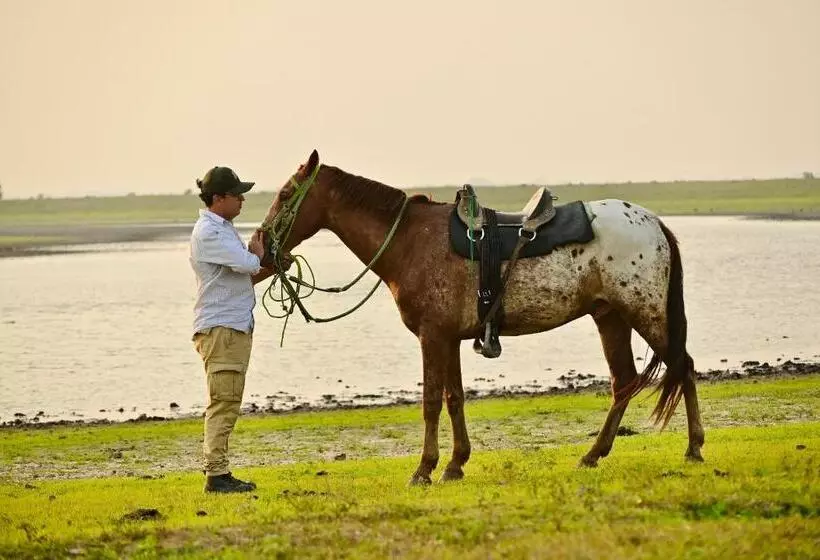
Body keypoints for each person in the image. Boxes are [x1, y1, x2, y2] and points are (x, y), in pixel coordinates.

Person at [190, 166, 274, 493]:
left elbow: (244, 275)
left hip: (230, 327)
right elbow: (248, 264)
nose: (241, 200)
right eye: (237, 194)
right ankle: (216, 475)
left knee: (227, 400)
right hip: (222, 329)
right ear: (219, 198)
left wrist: (269, 265)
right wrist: (259, 255)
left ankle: (219, 471)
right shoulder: (210, 233)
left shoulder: (221, 229)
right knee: (224, 401)